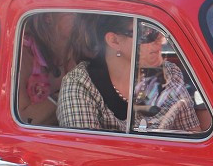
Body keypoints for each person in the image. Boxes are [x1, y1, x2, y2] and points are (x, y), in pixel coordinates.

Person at [58, 14, 201, 132]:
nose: (160, 41)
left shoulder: (169, 73)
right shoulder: (80, 85)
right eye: (147, 33)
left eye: (158, 31)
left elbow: (194, 135)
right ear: (114, 41)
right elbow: (86, 157)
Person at [17, 13, 82, 126]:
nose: (81, 16)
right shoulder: (21, 55)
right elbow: (23, 120)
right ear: (48, 17)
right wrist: (68, 92)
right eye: (72, 11)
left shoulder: (82, 49)